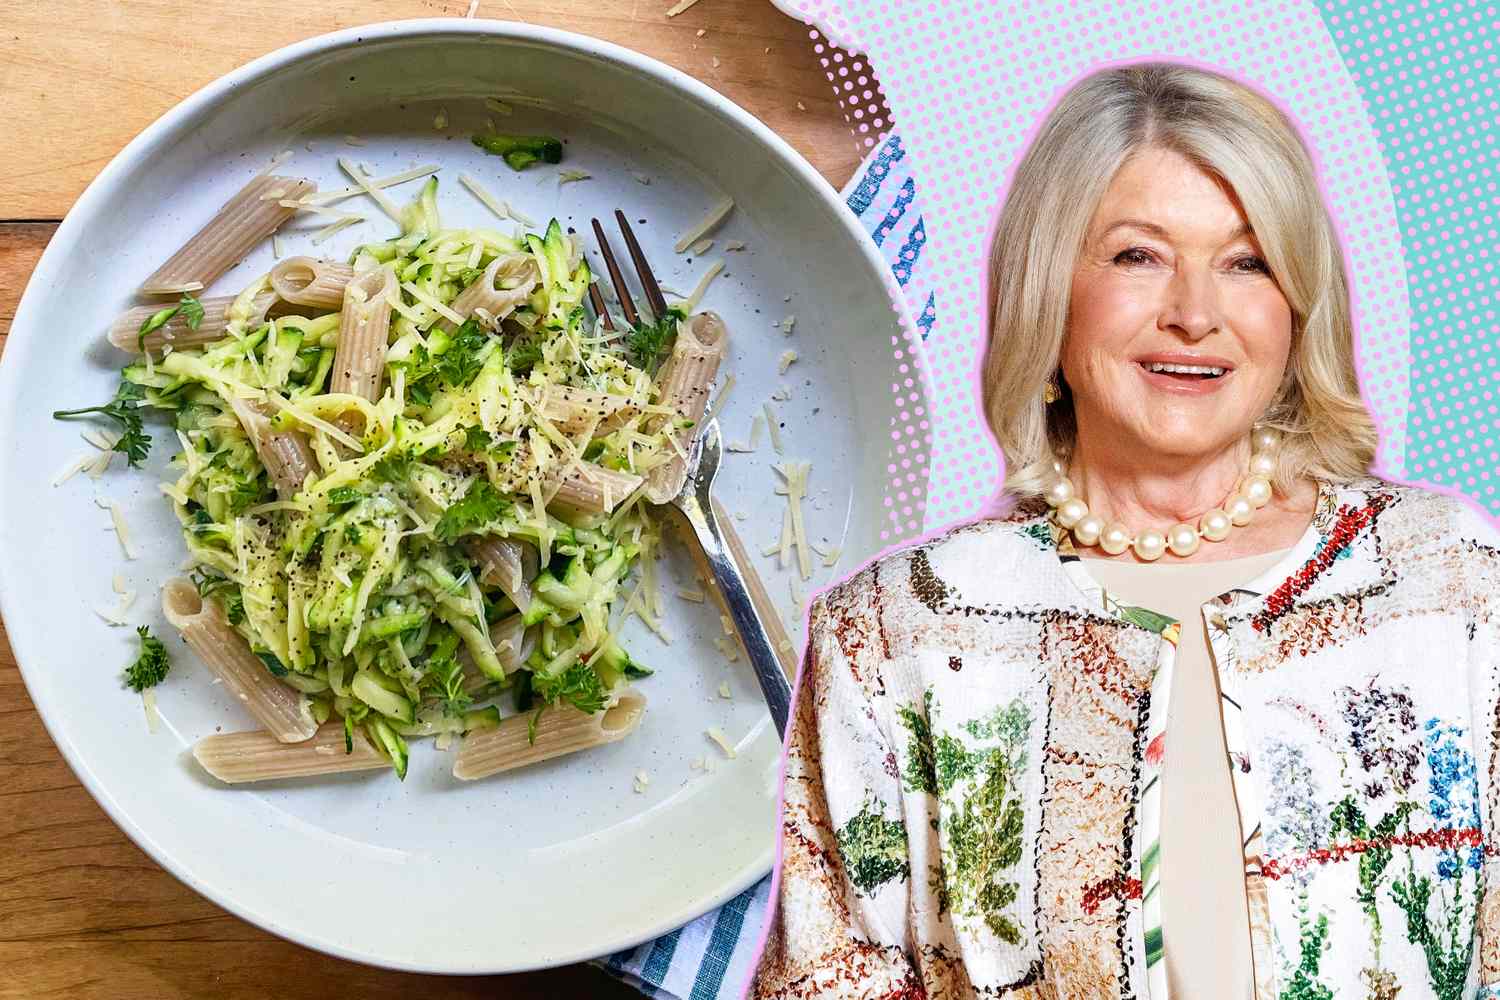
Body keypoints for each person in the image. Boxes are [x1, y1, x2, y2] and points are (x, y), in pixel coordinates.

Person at [749, 61, 1500, 1000]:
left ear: (1296, 307)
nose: (1194, 314)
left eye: (1248, 262)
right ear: (1049, 290)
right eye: (1138, 256)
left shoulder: (1448, 578)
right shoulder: (894, 630)